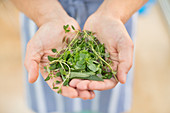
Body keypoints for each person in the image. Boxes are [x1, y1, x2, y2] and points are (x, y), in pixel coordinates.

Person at [11, 0, 148, 113]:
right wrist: (47, 16)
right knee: (51, 104)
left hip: (115, 17)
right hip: (41, 14)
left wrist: (114, 14)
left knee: (107, 103)